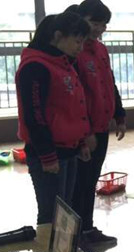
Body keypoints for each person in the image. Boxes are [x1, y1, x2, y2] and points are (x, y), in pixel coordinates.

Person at [15, 12, 91, 224]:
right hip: (49, 153)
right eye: (77, 41)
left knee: (65, 210)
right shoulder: (35, 67)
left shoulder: (64, 64)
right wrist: (47, 155)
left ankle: (64, 247)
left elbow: (73, 109)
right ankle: (45, 246)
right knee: (50, 214)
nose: (80, 48)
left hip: (69, 150)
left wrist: (81, 142)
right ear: (58, 36)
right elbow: (34, 115)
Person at [69, 0, 125, 248]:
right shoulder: (74, 51)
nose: (99, 28)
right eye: (95, 22)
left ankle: (88, 229)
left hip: (101, 127)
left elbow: (110, 83)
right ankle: (75, 235)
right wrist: (85, 132)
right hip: (85, 131)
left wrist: (120, 115)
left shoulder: (101, 50)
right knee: (79, 183)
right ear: (81, 20)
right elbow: (75, 96)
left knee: (91, 180)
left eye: (103, 24)